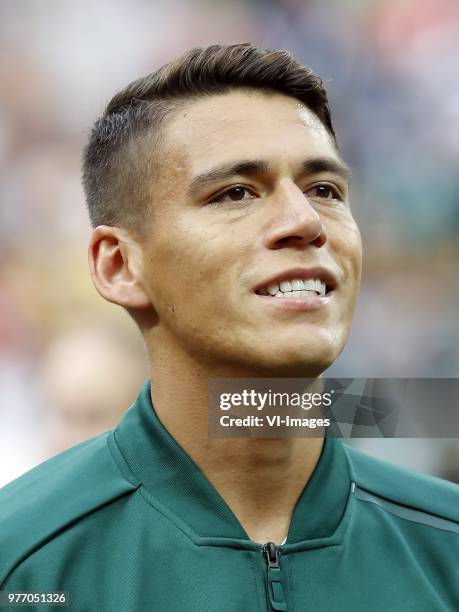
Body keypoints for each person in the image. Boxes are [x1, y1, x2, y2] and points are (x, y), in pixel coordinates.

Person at [1, 43, 458, 611]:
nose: (306, 222)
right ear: (119, 265)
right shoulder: (23, 564)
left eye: (325, 190)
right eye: (235, 193)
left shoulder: (446, 549)